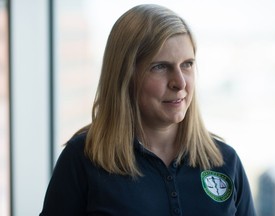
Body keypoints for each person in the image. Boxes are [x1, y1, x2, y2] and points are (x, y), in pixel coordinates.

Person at [40, 4, 256, 216]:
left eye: (187, 64)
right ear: (125, 76)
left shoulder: (225, 161)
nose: (180, 83)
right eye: (160, 66)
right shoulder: (83, 158)